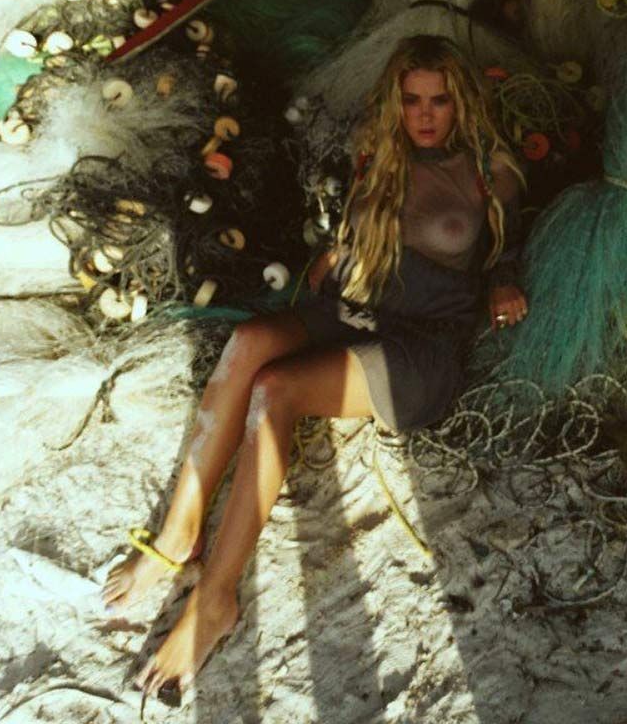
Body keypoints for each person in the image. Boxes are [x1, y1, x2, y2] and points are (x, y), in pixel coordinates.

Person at [102, 34, 530, 700]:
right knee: (248, 341)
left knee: (276, 391)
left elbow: (506, 245)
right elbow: (358, 232)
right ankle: (180, 529)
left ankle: (216, 598)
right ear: (396, 101)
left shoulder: (488, 168)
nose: (424, 115)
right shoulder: (380, 155)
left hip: (420, 345)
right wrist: (337, 250)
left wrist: (503, 282)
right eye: (412, 100)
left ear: (461, 103)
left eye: (439, 101)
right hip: (356, 309)